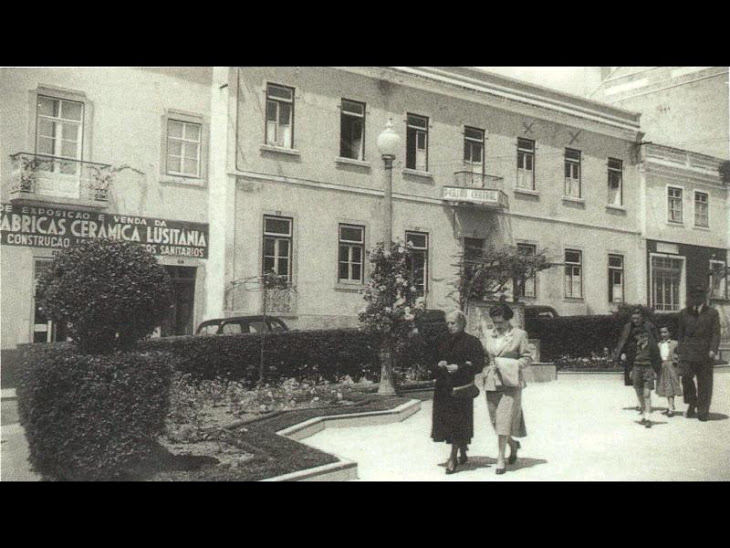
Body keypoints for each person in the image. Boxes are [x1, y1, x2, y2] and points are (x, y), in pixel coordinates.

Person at [479, 303, 533, 475]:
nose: (497, 325)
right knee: (496, 421)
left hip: (510, 382)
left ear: (509, 319)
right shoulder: (489, 334)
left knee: (504, 420)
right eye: (494, 322)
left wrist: (509, 365)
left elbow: (527, 357)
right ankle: (513, 444)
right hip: (491, 382)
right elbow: (486, 355)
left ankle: (500, 459)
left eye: (500, 322)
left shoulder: (519, 335)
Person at [431, 309, 484, 475]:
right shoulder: (441, 340)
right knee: (447, 422)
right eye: (447, 323)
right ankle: (462, 449)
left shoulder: (472, 342)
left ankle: (452, 458)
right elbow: (431, 360)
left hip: (461, 389)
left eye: (453, 323)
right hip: (443, 388)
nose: (449, 326)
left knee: (458, 421)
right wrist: (439, 364)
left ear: (462, 323)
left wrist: (459, 367)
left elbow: (479, 364)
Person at [678, 285, 721, 422]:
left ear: (703, 297)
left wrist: (713, 349)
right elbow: (680, 334)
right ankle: (692, 402)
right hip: (688, 353)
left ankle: (703, 411)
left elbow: (716, 333)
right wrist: (680, 350)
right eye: (693, 296)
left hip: (705, 354)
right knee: (686, 378)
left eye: (699, 296)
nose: (695, 298)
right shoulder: (684, 313)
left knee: (705, 383)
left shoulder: (712, 313)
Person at [614, 308, 661, 427]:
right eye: (633, 318)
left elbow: (656, 347)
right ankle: (643, 410)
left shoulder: (649, 327)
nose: (635, 320)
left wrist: (656, 369)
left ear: (642, 318)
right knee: (638, 389)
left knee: (647, 393)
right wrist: (622, 353)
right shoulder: (628, 329)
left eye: (637, 318)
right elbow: (623, 340)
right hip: (635, 363)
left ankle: (647, 416)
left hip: (647, 365)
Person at [656, 326, 682, 417]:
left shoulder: (675, 343)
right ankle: (670, 405)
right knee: (666, 386)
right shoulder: (659, 344)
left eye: (665, 332)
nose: (663, 334)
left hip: (672, 366)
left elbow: (680, 353)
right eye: (661, 332)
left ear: (670, 333)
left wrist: (677, 359)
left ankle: (671, 407)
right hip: (663, 366)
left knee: (671, 386)